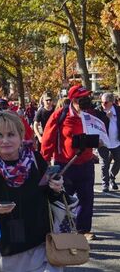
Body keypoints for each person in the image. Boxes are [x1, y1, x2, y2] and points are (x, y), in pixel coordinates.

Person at [0, 110, 65, 272]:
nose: (5, 140)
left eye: (11, 134)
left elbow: (51, 196)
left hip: (39, 248)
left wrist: (56, 189)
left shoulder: (36, 161)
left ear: (21, 136)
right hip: (2, 252)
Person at [41, 85, 107, 241]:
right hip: (65, 164)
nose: (85, 101)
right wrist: (44, 161)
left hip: (86, 163)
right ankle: (60, 230)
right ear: (73, 100)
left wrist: (100, 142)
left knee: (86, 198)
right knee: (62, 199)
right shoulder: (60, 116)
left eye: (86, 97)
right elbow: (48, 139)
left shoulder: (92, 116)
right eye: (81, 98)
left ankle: (83, 229)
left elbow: (100, 132)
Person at [97, 92, 120, 192]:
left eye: (105, 102)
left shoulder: (118, 110)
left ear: (111, 102)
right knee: (104, 163)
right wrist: (106, 117)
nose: (103, 104)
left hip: (116, 141)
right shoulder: (98, 110)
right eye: (101, 102)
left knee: (118, 161)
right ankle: (104, 184)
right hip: (103, 142)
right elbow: (97, 124)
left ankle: (112, 177)